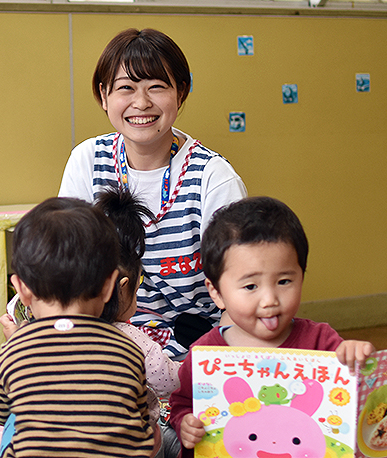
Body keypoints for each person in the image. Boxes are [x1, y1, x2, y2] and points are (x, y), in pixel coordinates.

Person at [59, 27, 247, 359]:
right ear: (104, 96)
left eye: (156, 87)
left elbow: (242, 286)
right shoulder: (88, 160)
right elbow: (67, 266)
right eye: (125, 88)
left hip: (193, 348)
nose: (141, 103)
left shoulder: (213, 178)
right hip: (103, 343)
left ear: (181, 92)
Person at [168, 196, 375, 458]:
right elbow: (182, 403)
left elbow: (351, 396)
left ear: (302, 273)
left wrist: (355, 357)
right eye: (251, 286)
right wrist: (184, 422)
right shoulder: (205, 354)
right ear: (217, 292)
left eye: (284, 281)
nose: (270, 301)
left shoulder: (323, 342)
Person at [0, 197, 156, 457]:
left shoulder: (15, 349)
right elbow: (140, 421)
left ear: (21, 290)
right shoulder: (128, 350)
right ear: (110, 285)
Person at [95, 187, 180, 458]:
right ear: (122, 288)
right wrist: (192, 367)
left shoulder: (51, 332)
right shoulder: (133, 340)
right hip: (129, 446)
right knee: (175, 437)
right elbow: (169, 381)